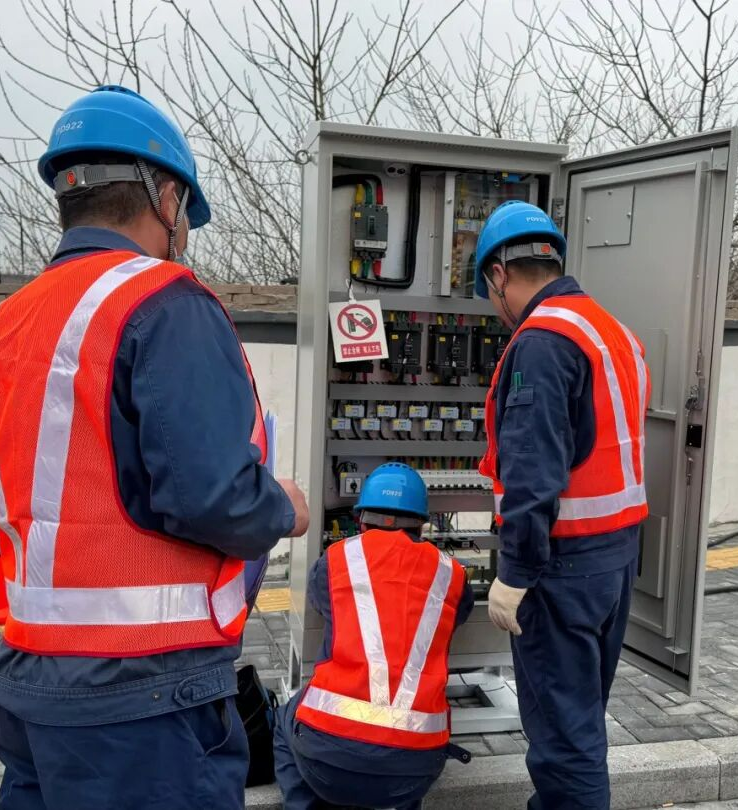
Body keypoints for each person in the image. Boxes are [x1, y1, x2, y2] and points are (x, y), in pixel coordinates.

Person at [0, 85, 310, 810]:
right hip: (146, 698)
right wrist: (284, 507)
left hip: (29, 684)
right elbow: (215, 497)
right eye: (185, 215)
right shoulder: (164, 301)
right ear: (167, 198)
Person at [474, 201, 651, 809]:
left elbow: (533, 470)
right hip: (614, 562)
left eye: (490, 292)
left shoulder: (543, 341)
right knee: (579, 718)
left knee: (564, 743)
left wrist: (515, 574)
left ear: (500, 274)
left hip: (561, 570)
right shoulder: (612, 331)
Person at [273, 463, 475, 810]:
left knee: (283, 719)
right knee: (403, 762)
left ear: (361, 520)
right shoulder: (451, 574)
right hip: (415, 769)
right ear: (422, 524)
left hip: (328, 760)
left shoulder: (336, 559)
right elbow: (458, 615)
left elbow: (323, 604)